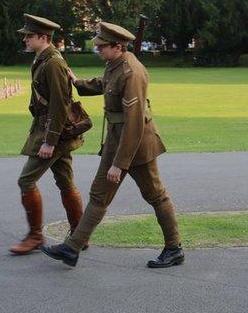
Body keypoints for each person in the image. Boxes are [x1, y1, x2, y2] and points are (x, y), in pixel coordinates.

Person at [41, 22, 184, 268]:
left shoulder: (133, 72)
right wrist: (77, 82)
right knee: (99, 195)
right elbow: (103, 84)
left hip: (137, 146)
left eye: (101, 47)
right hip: (116, 140)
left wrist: (119, 164)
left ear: (117, 46)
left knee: (156, 196)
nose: (98, 51)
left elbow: (134, 124)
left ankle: (174, 249)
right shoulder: (114, 65)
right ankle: (72, 248)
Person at [10, 14, 85, 255]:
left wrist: (49, 141)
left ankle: (35, 236)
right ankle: (80, 235)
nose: (25, 40)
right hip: (51, 129)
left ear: (43, 37)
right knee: (65, 181)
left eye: (29, 36)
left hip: (52, 131)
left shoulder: (53, 62)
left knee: (26, 180)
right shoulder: (44, 58)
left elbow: (60, 105)